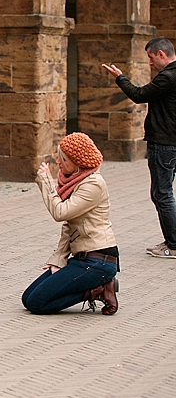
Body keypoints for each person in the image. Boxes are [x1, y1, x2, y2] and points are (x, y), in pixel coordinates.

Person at [22, 133, 119, 315]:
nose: (58, 162)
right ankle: (94, 286)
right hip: (81, 259)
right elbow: (69, 226)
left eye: (63, 159)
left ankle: (99, 289)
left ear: (77, 162)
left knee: (37, 303)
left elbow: (60, 213)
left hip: (98, 261)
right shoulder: (76, 181)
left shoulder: (93, 185)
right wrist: (58, 260)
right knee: (28, 298)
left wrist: (46, 181)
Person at [102, 36, 176, 258]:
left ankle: (173, 244)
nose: (150, 63)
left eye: (151, 58)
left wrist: (119, 77)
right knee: (164, 194)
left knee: (162, 194)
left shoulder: (168, 77)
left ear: (161, 54)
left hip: (164, 143)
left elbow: (139, 95)